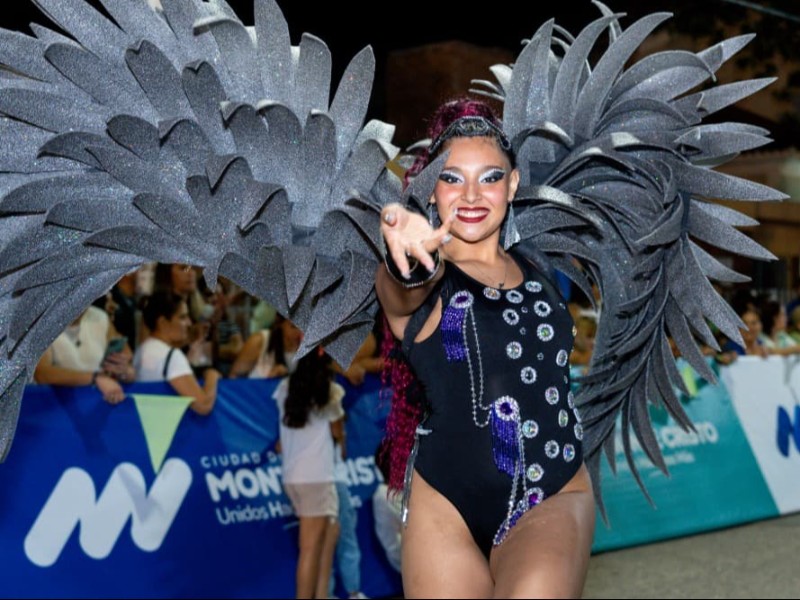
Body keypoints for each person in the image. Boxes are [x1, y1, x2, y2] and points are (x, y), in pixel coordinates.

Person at [376, 99, 595, 597]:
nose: (471, 194)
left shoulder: (539, 267)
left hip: (552, 492)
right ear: (429, 187)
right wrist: (404, 246)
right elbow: (398, 290)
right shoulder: (419, 276)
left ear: (513, 184)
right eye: (452, 178)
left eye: (490, 177)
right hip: (442, 506)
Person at [275, 349, 345, 599]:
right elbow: (338, 432)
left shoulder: (284, 388)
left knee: (328, 537)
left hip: (293, 476)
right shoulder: (329, 392)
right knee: (310, 550)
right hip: (317, 477)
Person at [134, 290, 221, 415]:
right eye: (182, 317)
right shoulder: (171, 356)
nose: (189, 323)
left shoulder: (142, 350)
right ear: (163, 322)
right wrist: (212, 376)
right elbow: (203, 405)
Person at [34, 303, 134, 404]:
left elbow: (124, 352)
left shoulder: (100, 317)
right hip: (55, 406)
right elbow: (42, 373)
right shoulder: (43, 323)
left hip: (98, 402)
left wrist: (125, 371)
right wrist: (95, 378)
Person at [229, 315, 303, 378]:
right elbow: (234, 378)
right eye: (294, 327)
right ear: (281, 324)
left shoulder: (307, 347)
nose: (299, 332)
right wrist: (268, 380)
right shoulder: (259, 341)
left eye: (304, 327)